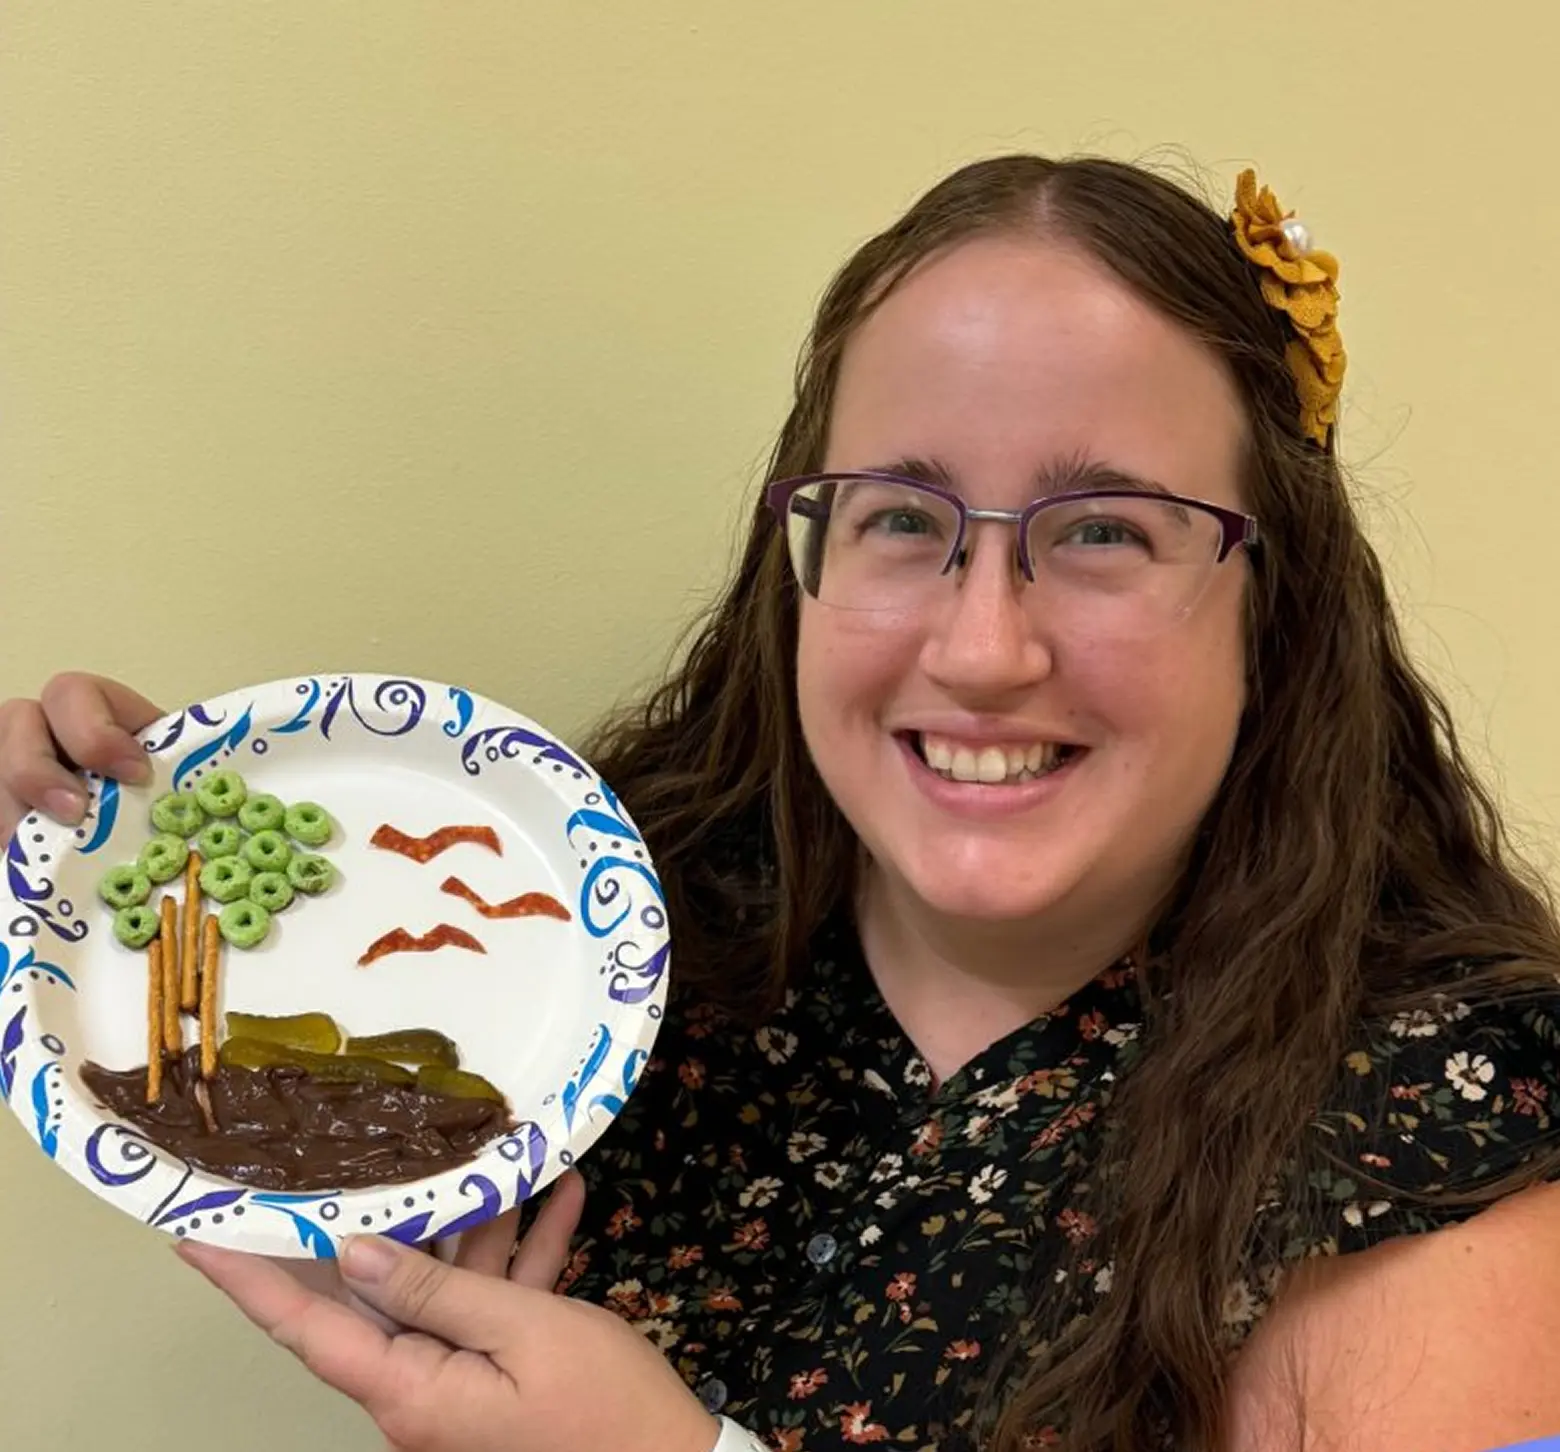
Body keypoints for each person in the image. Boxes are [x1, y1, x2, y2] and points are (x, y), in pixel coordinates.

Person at [4, 155, 1560, 1452]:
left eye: (1105, 531)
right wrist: (93, 874)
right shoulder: (607, 947)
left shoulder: (1456, 1146)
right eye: (901, 517)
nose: (984, 648)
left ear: (1273, 605)